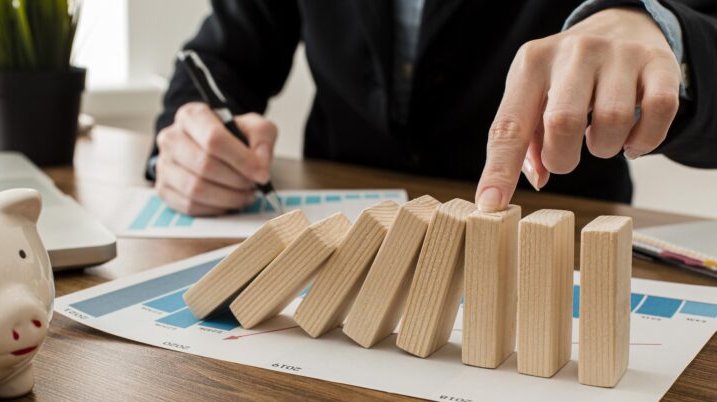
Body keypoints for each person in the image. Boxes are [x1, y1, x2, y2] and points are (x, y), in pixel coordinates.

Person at [147, 0, 717, 216]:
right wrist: (189, 135)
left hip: (560, 231)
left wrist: (661, 29)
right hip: (346, 237)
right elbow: (217, 58)